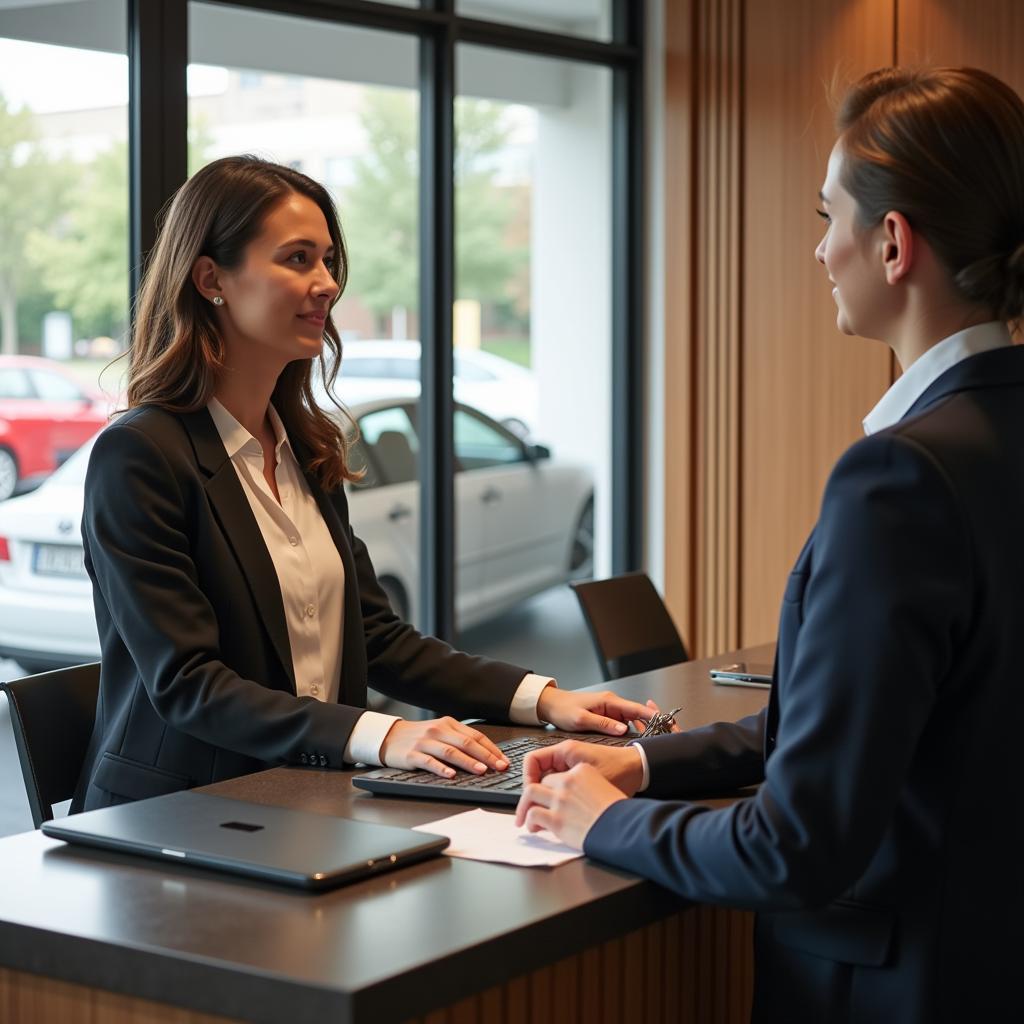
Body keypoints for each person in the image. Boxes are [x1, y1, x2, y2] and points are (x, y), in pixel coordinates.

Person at [515, 66, 1024, 1022]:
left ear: (893, 243)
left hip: (899, 984)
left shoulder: (900, 479)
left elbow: (799, 845)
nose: (820, 249)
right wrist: (648, 764)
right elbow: (889, 727)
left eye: (828, 217)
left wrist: (611, 821)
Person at [71, 155, 659, 813]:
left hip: (304, 801)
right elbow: (188, 684)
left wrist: (545, 700)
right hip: (175, 818)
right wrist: (387, 735)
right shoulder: (140, 456)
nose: (326, 283)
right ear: (212, 278)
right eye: (297, 259)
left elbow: (375, 638)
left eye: (327, 261)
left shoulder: (306, 448)